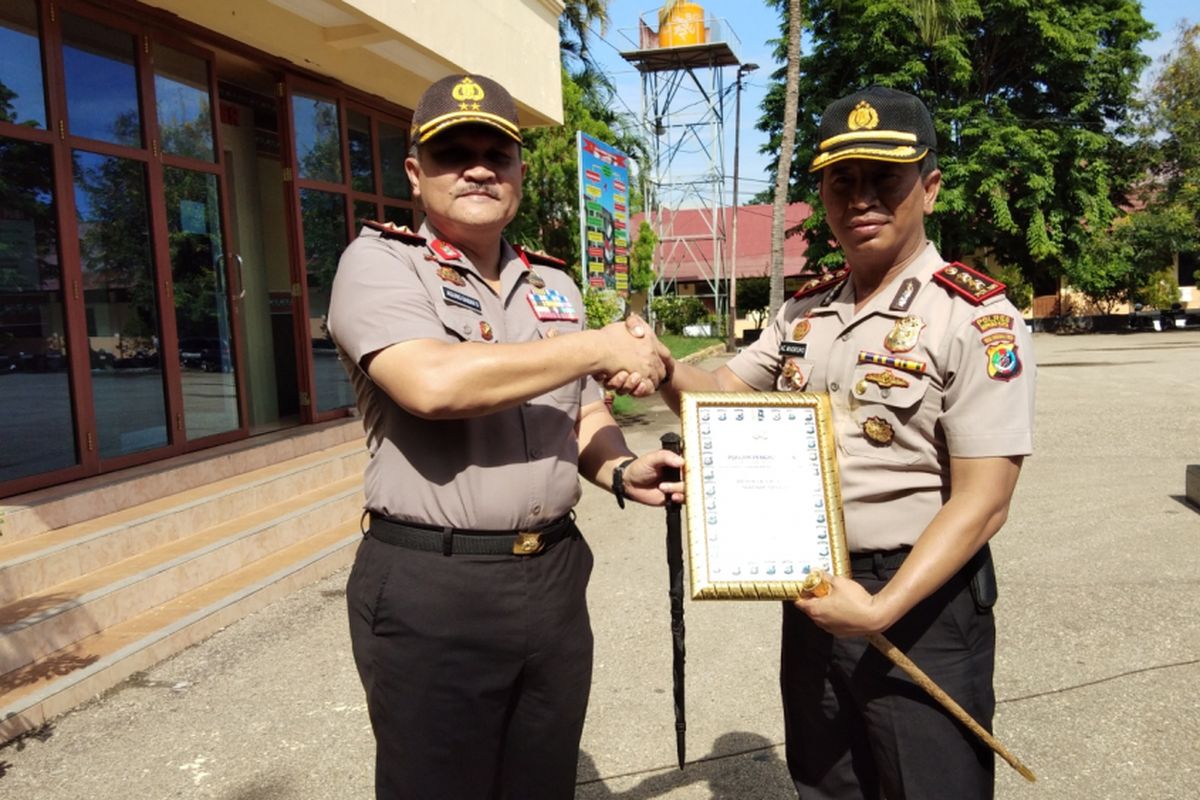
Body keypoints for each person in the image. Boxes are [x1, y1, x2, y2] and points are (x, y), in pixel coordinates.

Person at [652, 86, 1036, 798]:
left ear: (930, 187)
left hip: (919, 603)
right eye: (841, 180)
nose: (860, 198)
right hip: (812, 590)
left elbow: (985, 502)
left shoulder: (976, 318)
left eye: (883, 177)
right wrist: (660, 366)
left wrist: (881, 609)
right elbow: (724, 398)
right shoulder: (804, 310)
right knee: (827, 785)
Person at [327, 73, 682, 800]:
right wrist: (597, 346)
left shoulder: (554, 285)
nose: (480, 166)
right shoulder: (380, 264)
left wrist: (619, 470)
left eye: (498, 151)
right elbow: (433, 383)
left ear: (519, 171)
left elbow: (582, 411)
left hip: (551, 576)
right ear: (415, 173)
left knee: (543, 783)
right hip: (435, 585)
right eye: (455, 151)